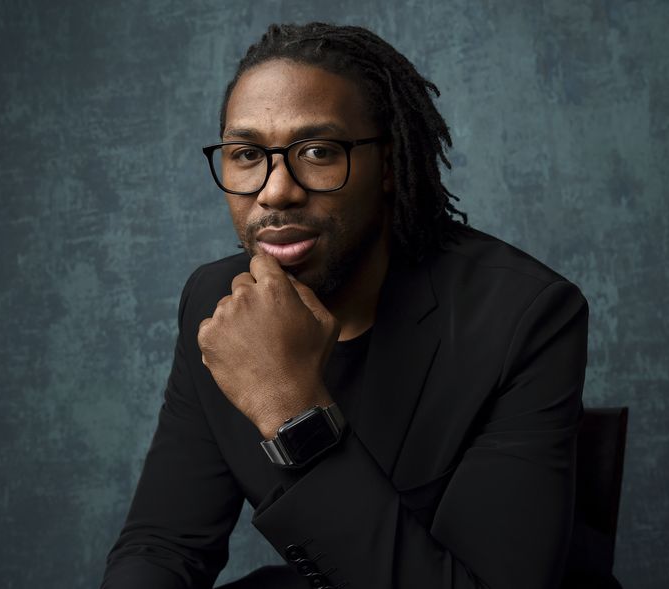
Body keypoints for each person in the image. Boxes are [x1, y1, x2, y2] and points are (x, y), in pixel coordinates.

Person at [101, 22, 590, 589]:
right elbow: (163, 546)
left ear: (388, 164)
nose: (275, 190)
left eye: (317, 151)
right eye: (245, 154)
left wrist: (292, 412)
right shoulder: (217, 306)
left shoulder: (524, 316)